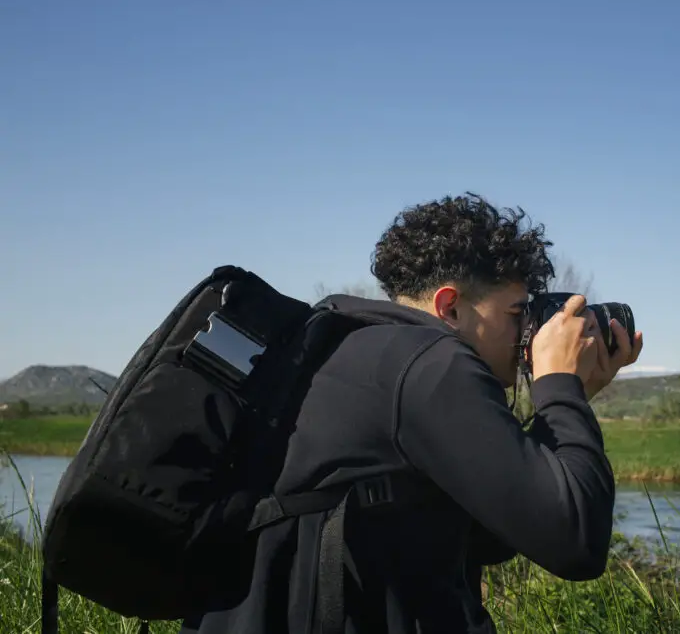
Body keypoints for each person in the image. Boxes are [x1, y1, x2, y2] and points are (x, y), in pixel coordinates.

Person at [180, 192, 644, 634]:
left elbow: (499, 529)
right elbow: (574, 543)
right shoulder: (431, 362)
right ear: (450, 306)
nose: (527, 331)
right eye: (516, 313)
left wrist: (569, 397)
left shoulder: (350, 349)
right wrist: (560, 388)